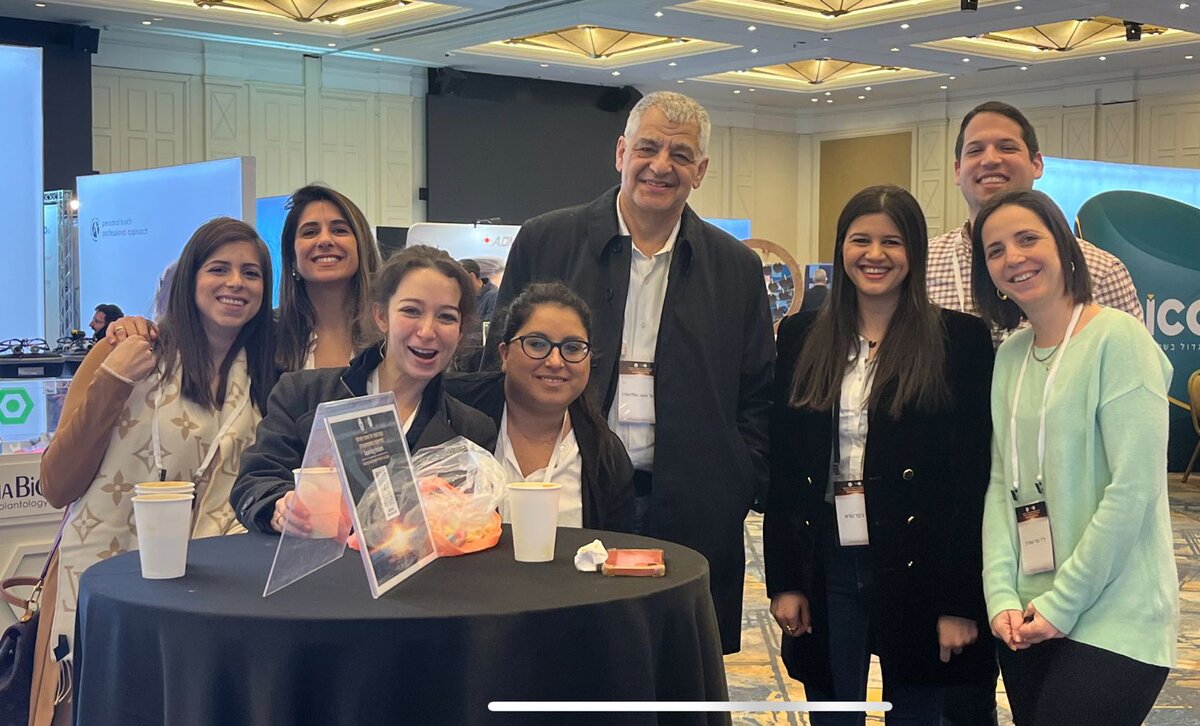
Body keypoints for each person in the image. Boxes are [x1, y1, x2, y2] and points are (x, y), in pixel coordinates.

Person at [484, 91, 774, 654]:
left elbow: (759, 391)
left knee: (674, 661)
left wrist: (740, 479)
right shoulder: (548, 240)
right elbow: (496, 359)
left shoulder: (735, 268)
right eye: (648, 147)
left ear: (701, 171)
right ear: (620, 152)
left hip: (691, 505)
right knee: (562, 648)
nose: (661, 165)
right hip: (569, 492)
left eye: (681, 155)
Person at [32, 218, 276, 726]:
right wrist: (114, 379)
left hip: (210, 599)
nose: (236, 282)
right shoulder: (126, 352)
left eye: (251, 273)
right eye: (219, 268)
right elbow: (56, 484)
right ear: (189, 278)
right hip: (105, 588)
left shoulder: (266, 376)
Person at [766, 185, 995, 724]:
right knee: (831, 707)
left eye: (892, 241)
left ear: (914, 250)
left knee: (916, 707)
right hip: (827, 554)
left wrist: (960, 603)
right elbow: (786, 462)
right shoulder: (801, 335)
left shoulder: (958, 339)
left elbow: (971, 478)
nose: (875, 254)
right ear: (841, 247)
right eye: (860, 239)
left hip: (920, 558)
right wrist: (786, 580)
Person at [971, 190, 1177, 726]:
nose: (1013, 258)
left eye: (1027, 238)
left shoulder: (1119, 339)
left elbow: (1134, 490)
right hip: (1027, 613)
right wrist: (999, 595)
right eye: (995, 250)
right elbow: (999, 485)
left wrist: (1064, 603)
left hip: (1115, 614)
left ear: (1064, 247)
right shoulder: (1011, 354)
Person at [231, 245, 497, 534]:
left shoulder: (470, 430)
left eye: (446, 317)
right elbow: (255, 480)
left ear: (460, 330)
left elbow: (475, 525)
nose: (427, 331)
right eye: (411, 310)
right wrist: (280, 507)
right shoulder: (304, 394)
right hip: (316, 572)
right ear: (382, 316)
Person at [927, 101, 1142, 346]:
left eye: (1006, 147)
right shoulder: (923, 265)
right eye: (975, 151)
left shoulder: (1101, 271)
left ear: (1036, 164)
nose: (990, 160)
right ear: (957, 170)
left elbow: (1135, 369)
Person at [107, 185, 382, 372]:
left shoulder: (391, 334)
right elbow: (192, 334)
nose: (325, 240)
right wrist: (133, 326)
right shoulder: (263, 334)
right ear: (292, 256)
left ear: (361, 244)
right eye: (310, 232)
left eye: (339, 230)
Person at [446, 282, 635, 532]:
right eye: (537, 344)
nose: (555, 361)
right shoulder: (451, 412)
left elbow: (618, 557)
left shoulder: (606, 457)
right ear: (504, 354)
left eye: (572, 348)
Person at [460, 258, 498, 322]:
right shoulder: (462, 296)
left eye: (459, 278)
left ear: (472, 276)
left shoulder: (493, 296)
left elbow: (488, 327)